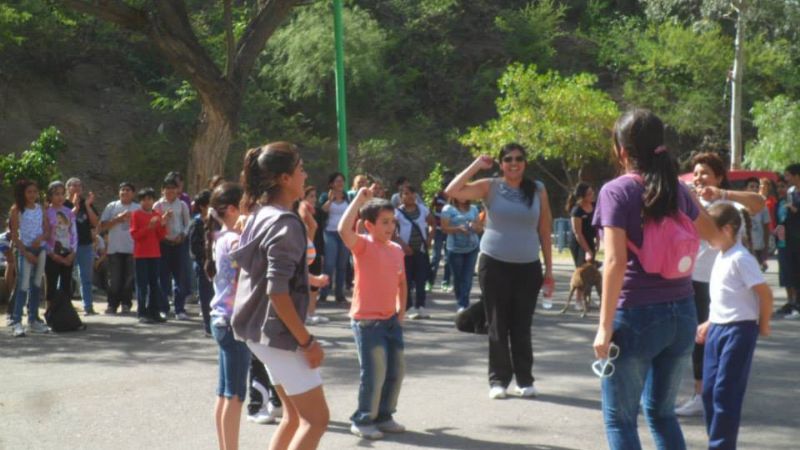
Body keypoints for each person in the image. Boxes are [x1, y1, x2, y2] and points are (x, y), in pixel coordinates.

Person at [591, 109, 740, 450]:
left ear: (622, 150)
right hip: (682, 311)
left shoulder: (616, 192)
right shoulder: (677, 189)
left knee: (620, 418)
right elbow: (714, 234)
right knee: (661, 414)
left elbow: (614, 261)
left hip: (636, 315)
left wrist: (603, 326)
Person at [231, 142, 329, 450]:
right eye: (300, 169)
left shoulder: (261, 214)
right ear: (284, 178)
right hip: (275, 333)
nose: (305, 175)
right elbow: (277, 291)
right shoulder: (285, 224)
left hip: (256, 330)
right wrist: (307, 341)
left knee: (293, 416)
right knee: (316, 420)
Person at [445, 143, 554, 399]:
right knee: (497, 323)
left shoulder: (538, 189)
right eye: (507, 159)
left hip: (528, 266)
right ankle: (498, 381)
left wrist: (549, 269)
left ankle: (525, 380)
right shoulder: (490, 186)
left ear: (525, 163)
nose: (513, 163)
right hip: (494, 264)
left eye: (518, 159)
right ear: (501, 163)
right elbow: (453, 190)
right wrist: (476, 165)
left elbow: (545, 229)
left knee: (521, 325)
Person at [675, 153, 765, 417]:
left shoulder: (730, 204)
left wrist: (723, 194)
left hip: (723, 284)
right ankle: (700, 394)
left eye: (705, 173)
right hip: (694, 279)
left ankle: (713, 394)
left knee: (716, 341)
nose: (699, 177)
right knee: (698, 340)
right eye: (696, 172)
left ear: (718, 177)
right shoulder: (689, 201)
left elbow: (759, 203)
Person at [696, 202, 773, 449]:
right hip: (718, 329)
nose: (706, 238)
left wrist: (764, 324)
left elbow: (765, 294)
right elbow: (722, 296)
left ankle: (721, 445)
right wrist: (710, 321)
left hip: (739, 330)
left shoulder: (742, 258)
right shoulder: (721, 257)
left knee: (725, 392)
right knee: (708, 392)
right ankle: (716, 440)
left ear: (728, 229)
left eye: (710, 232)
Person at [338, 188, 408, 440]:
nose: (390, 226)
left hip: (390, 320)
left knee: (396, 370)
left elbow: (402, 283)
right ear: (368, 225)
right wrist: (359, 199)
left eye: (393, 221)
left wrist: (401, 312)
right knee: (374, 373)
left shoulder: (396, 249)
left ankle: (385, 415)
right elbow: (343, 230)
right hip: (367, 322)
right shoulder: (363, 245)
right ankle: (363, 418)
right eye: (384, 222)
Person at [206, 182, 249, 450]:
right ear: (233, 209)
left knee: (224, 393)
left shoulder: (220, 237)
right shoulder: (234, 240)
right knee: (235, 395)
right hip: (233, 323)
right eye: (245, 205)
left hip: (221, 318)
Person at [8, 180, 50, 337]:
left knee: (37, 284)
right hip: (24, 250)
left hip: (40, 250)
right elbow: (14, 235)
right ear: (23, 193)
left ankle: (33, 320)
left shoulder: (41, 208)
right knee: (23, 285)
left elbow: (47, 230)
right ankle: (17, 321)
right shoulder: (17, 209)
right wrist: (26, 253)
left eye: (35, 192)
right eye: (29, 192)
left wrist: (41, 238)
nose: (32, 195)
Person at [130, 188, 170, 324]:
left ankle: (154, 311)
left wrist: (163, 224)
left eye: (149, 199)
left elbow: (161, 235)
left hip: (155, 253)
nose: (147, 202)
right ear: (140, 201)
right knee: (142, 284)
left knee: (154, 283)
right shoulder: (136, 214)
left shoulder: (157, 214)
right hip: (141, 254)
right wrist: (149, 226)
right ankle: (142, 312)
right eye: (144, 199)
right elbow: (135, 235)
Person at [395, 185, 434, 320]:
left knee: (421, 280)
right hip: (405, 252)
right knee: (406, 280)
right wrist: (403, 245)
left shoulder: (423, 209)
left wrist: (429, 238)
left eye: (412, 193)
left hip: (421, 250)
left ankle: (421, 306)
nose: (410, 196)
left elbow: (433, 224)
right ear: (401, 197)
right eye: (406, 193)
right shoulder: (397, 213)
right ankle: (408, 307)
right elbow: (393, 233)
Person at [100, 182, 140, 315]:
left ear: (133, 193)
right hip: (115, 248)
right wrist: (118, 219)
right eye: (122, 190)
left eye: (128, 190)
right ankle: (112, 305)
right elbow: (102, 226)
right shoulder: (112, 206)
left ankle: (126, 304)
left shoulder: (137, 208)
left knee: (129, 279)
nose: (125, 192)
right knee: (114, 280)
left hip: (132, 248)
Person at [155, 177, 191, 320]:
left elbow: (188, 223)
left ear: (177, 190)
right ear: (162, 190)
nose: (170, 191)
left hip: (179, 244)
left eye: (173, 188)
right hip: (163, 244)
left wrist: (183, 235)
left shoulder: (182, 205)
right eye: (167, 188)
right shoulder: (158, 205)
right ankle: (163, 308)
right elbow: (155, 224)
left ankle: (179, 309)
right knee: (163, 277)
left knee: (179, 277)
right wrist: (163, 220)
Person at [295, 186, 330, 325]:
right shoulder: (300, 211)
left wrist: (320, 252)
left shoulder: (317, 212)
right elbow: (312, 227)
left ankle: (311, 312)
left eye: (315, 196)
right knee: (305, 282)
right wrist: (304, 208)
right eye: (311, 196)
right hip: (305, 252)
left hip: (316, 249)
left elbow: (318, 230)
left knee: (315, 285)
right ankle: (303, 314)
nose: (314, 199)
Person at [64, 178, 100, 315]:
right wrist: (74, 207)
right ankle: (64, 306)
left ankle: (88, 306)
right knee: (65, 277)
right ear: (68, 188)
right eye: (74, 185)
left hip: (85, 244)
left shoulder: (86, 204)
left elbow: (95, 223)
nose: (77, 188)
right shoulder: (63, 204)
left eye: (80, 185)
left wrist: (88, 206)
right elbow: (64, 223)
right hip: (68, 246)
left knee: (86, 277)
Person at [440, 197, 481, 312]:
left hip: (472, 247)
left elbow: (479, 227)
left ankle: (464, 304)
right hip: (455, 249)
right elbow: (444, 228)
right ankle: (460, 299)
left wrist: (475, 226)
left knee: (467, 277)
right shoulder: (448, 209)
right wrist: (458, 228)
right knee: (458, 278)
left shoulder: (473, 208)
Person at [45, 181, 77, 313]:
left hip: (67, 253)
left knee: (66, 284)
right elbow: (44, 235)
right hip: (52, 253)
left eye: (62, 194)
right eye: (56, 194)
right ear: (50, 196)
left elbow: (74, 233)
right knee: (51, 283)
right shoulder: (46, 212)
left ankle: (65, 313)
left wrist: (73, 252)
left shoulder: (69, 212)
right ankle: (50, 312)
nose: (60, 197)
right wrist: (52, 254)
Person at [318, 172, 349, 303]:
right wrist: (330, 200)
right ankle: (324, 292)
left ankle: (339, 294)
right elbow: (321, 212)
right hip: (330, 232)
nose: (340, 183)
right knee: (329, 265)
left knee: (342, 265)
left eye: (342, 181)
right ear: (331, 184)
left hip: (344, 234)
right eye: (337, 181)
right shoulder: (325, 195)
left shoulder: (347, 196)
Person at [189, 189, 213, 335]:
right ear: (203, 206)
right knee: (206, 296)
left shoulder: (216, 222)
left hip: (216, 265)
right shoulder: (196, 223)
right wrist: (206, 257)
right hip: (203, 265)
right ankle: (208, 326)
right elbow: (194, 247)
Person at [428, 172, 455, 292]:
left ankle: (445, 282)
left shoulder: (455, 198)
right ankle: (429, 281)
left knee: (449, 258)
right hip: (439, 230)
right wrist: (432, 222)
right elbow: (430, 209)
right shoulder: (437, 196)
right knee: (436, 257)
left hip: (449, 231)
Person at [774, 178, 797, 315]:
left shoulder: (794, 203)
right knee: (785, 274)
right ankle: (790, 301)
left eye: (783, 186)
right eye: (778, 187)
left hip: (793, 244)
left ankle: (796, 303)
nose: (780, 190)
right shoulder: (779, 204)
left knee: (793, 273)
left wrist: (793, 209)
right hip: (782, 243)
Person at [782, 163, 800, 319]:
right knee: (792, 270)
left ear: (796, 176)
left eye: (788, 175)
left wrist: (796, 210)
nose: (786, 178)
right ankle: (793, 303)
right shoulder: (791, 192)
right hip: (790, 238)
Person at [566, 182, 597, 267]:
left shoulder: (595, 206)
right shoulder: (577, 211)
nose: (592, 195)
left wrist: (597, 242)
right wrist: (587, 251)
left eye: (592, 192)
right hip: (578, 242)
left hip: (589, 238)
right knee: (582, 268)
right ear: (582, 197)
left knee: (591, 266)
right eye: (589, 194)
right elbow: (578, 233)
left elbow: (598, 224)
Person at [745, 177, 771, 271]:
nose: (755, 189)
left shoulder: (763, 207)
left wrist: (766, 248)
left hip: (758, 246)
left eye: (757, 187)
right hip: (744, 247)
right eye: (751, 186)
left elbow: (766, 228)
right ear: (745, 189)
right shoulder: (740, 205)